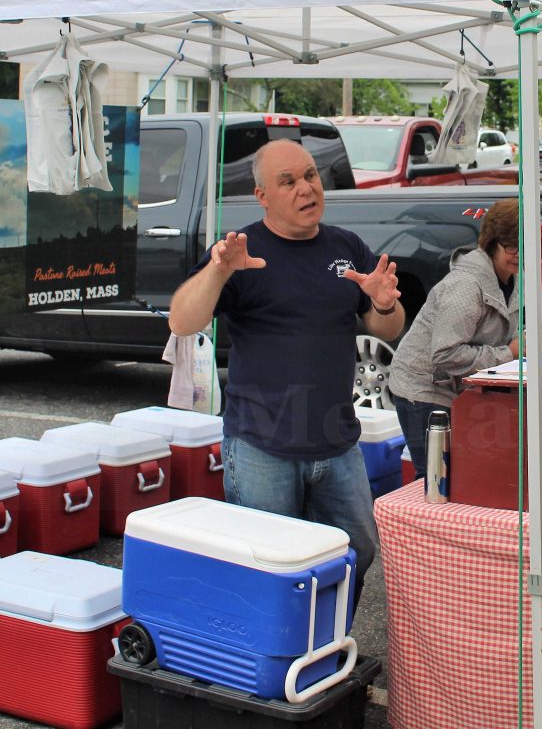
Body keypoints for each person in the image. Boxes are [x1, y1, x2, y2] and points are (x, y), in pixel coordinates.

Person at [168, 138, 404, 600]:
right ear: (262, 196)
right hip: (263, 445)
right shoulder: (239, 251)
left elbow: (388, 327)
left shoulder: (346, 246)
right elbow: (182, 321)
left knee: (357, 551)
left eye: (310, 175)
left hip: (337, 442)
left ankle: (329, 638)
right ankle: (283, 646)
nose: (305, 188)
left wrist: (383, 303)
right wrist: (218, 272)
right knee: (270, 570)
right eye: (288, 181)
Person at [389, 199, 521, 482]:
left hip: (460, 390)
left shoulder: (513, 279)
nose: (519, 254)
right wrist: (508, 354)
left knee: (462, 477)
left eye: (524, 245)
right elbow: (445, 355)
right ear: (492, 243)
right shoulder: (465, 286)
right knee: (436, 480)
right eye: (511, 246)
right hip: (422, 389)